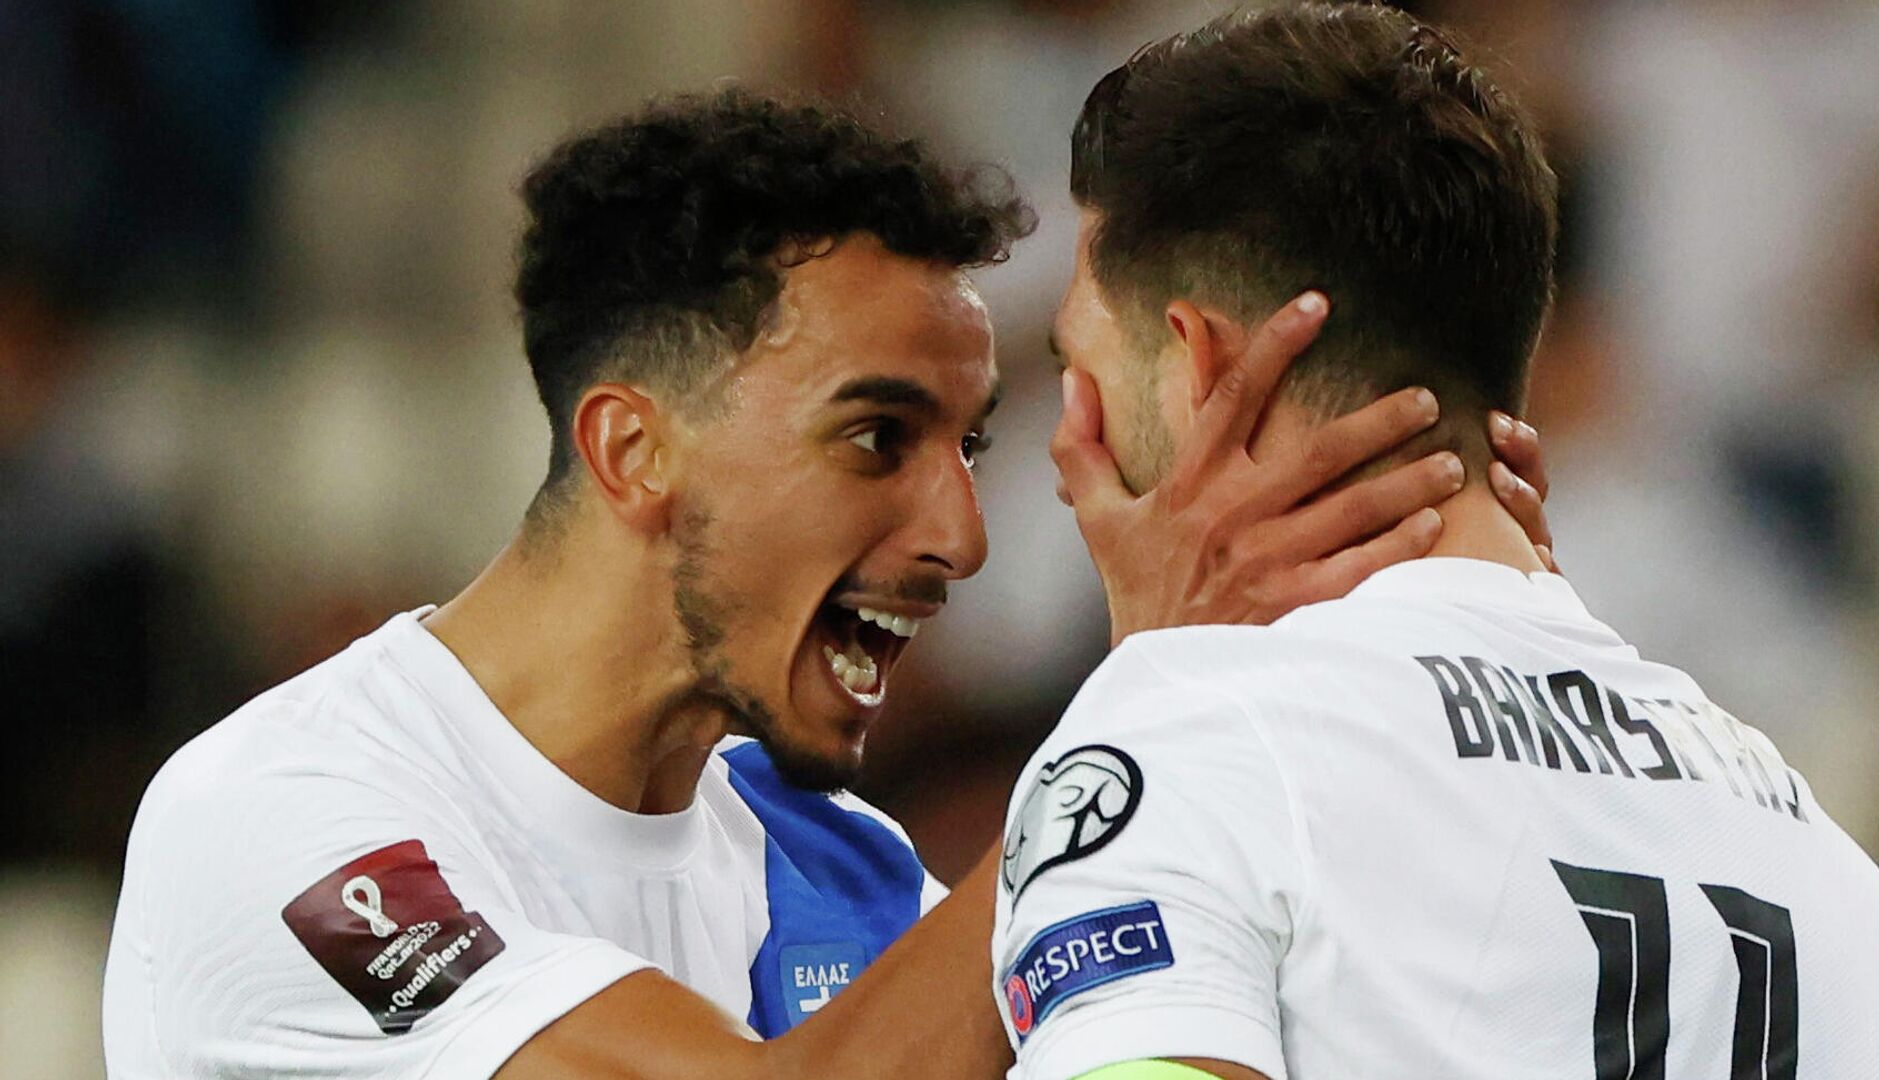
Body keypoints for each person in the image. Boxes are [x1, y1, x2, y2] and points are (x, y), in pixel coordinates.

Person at [100, 90, 1548, 1079]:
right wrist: (1159, 691)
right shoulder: (295, 822)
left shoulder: (848, 875)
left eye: (968, 445)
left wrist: (1403, 656)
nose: (962, 536)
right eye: (879, 439)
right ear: (632, 448)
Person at [992, 6, 1879, 1080]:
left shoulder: (1197, 744)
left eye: (1080, 359)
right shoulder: (1818, 855)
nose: (1070, 438)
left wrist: (1150, 688)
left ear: (1200, 363)